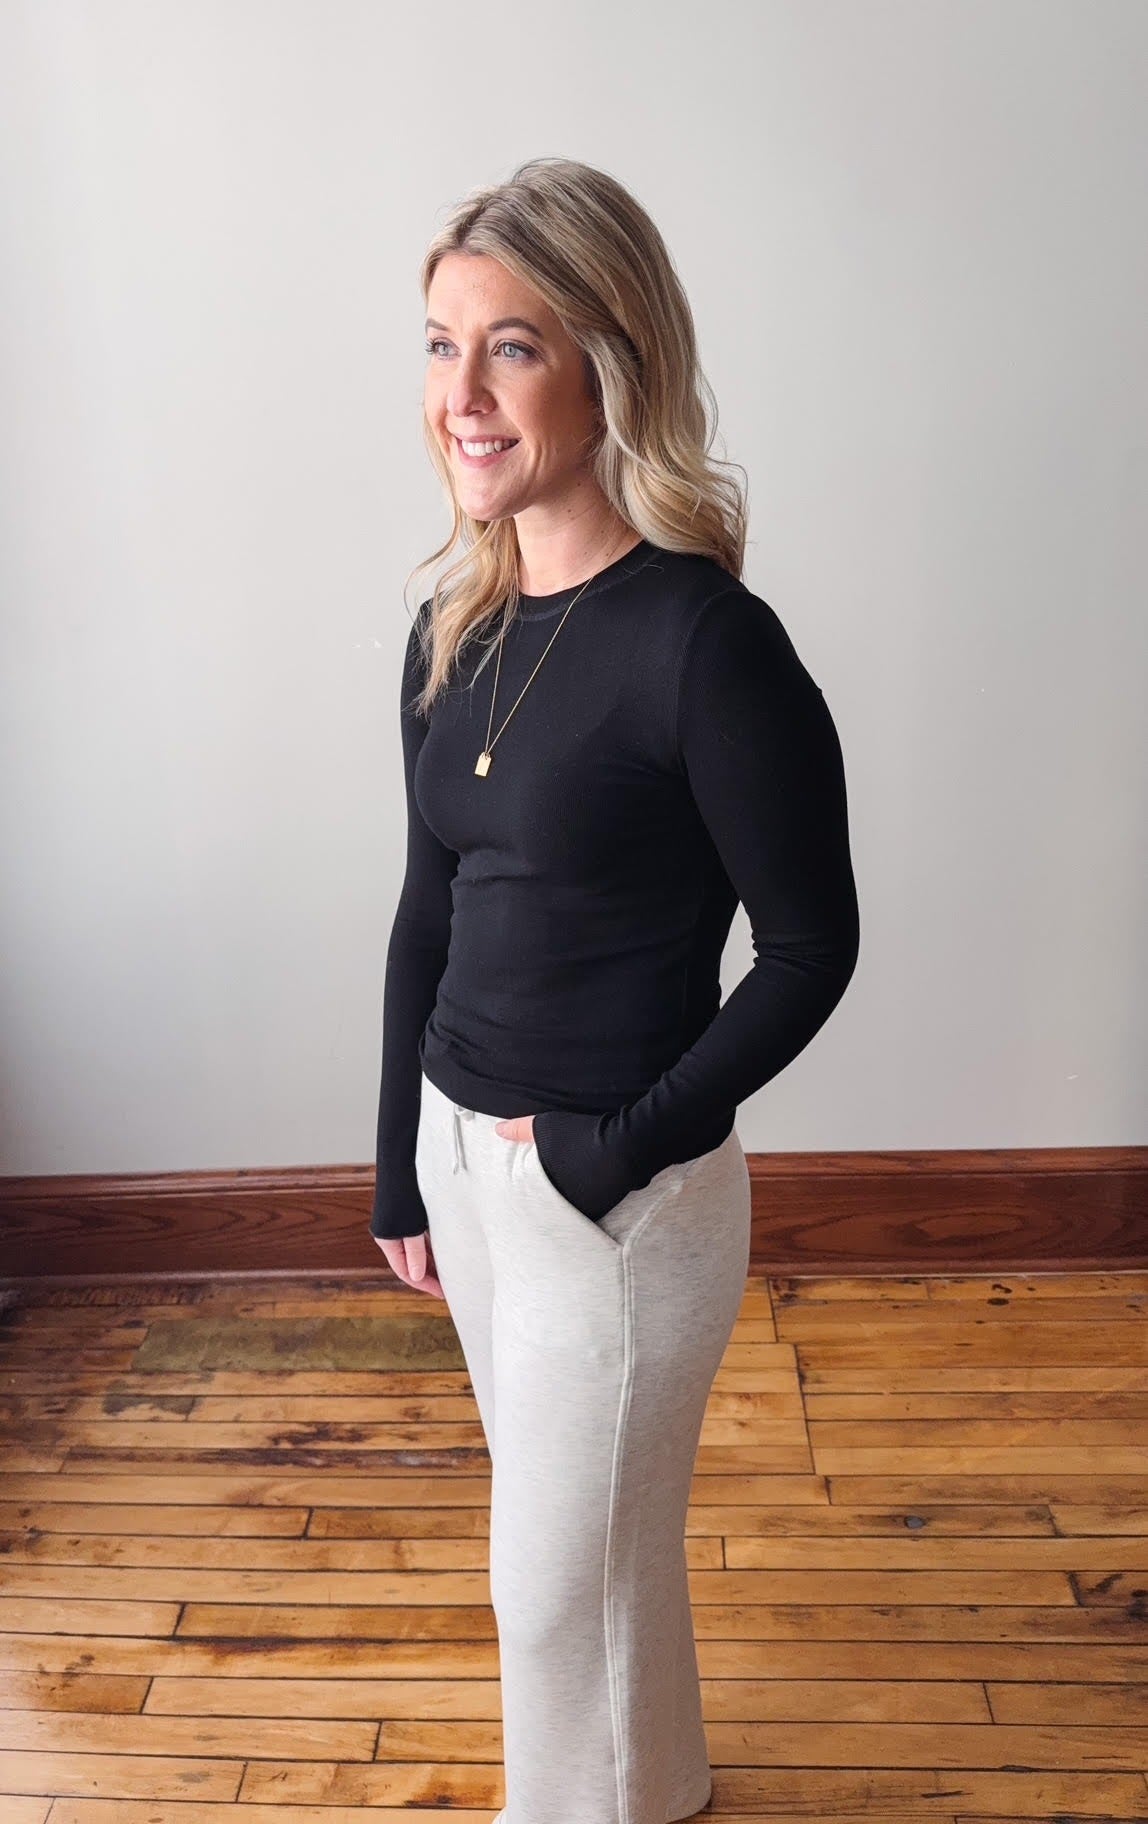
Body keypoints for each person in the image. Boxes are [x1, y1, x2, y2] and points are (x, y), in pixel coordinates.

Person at [368, 156, 860, 1824]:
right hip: (468, 1158)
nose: (463, 394)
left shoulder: (709, 647)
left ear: (608, 362)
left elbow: (810, 949)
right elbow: (427, 907)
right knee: (594, 1552)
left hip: (612, 1190)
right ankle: (659, 1789)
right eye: (441, 344)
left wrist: (606, 1152)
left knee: (545, 1589)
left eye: (511, 346)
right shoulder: (451, 628)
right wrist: (400, 1160)